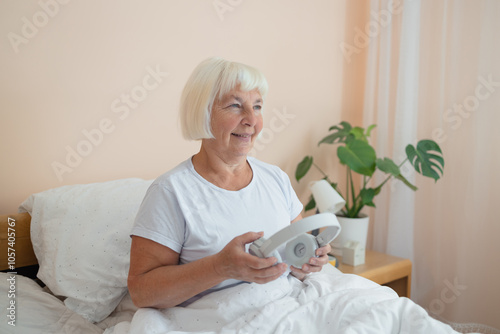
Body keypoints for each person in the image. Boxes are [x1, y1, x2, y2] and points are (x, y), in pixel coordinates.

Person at [127, 57, 331, 309]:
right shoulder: (170, 192)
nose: (251, 120)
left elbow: (295, 264)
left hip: (285, 306)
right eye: (235, 106)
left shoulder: (275, 179)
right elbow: (142, 293)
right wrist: (218, 267)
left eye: (257, 106)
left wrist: (307, 263)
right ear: (203, 113)